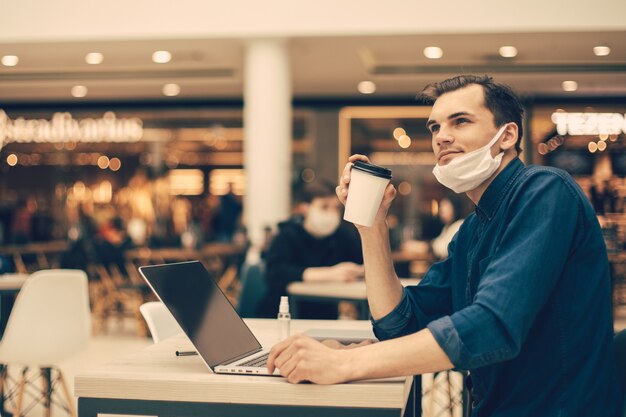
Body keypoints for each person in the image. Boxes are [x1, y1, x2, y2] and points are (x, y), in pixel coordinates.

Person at [267, 75, 622, 416]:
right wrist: (372, 228)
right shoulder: (473, 228)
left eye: (460, 122)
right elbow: (401, 323)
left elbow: (491, 327)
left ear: (507, 135)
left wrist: (345, 363)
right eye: (435, 127)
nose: (441, 137)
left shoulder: (545, 190)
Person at [257, 180, 364, 319]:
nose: (332, 213)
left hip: (326, 317)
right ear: (304, 208)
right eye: (324, 207)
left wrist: (358, 271)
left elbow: (364, 264)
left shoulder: (344, 235)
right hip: (283, 315)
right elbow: (274, 273)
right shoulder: (288, 234)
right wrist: (329, 274)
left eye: (336, 208)